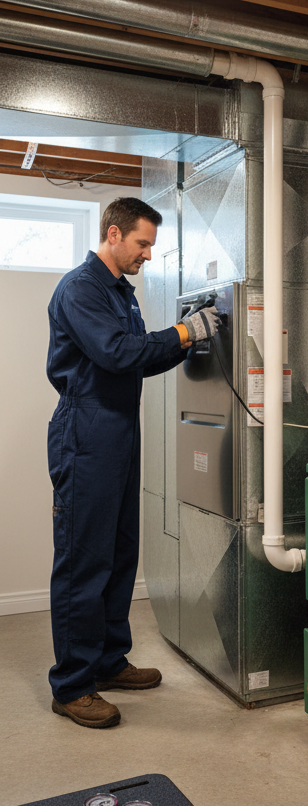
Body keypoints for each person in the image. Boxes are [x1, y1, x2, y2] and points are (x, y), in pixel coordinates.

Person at [46, 197, 222, 729]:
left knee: (121, 550)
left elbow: (140, 355)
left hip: (120, 428)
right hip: (86, 430)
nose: (148, 254)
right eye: (142, 243)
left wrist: (190, 339)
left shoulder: (120, 292)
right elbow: (118, 353)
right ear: (114, 233)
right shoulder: (81, 289)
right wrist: (186, 333)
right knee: (84, 559)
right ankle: (73, 685)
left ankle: (107, 661)